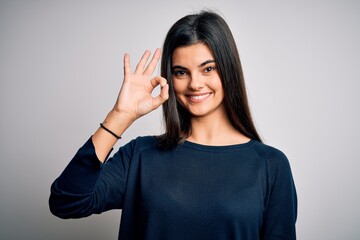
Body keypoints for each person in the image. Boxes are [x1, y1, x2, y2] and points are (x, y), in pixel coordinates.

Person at [49, 10, 297, 240]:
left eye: (208, 69)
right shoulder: (141, 156)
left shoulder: (271, 166)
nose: (195, 84)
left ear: (228, 70)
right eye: (181, 72)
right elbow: (67, 201)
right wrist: (120, 115)